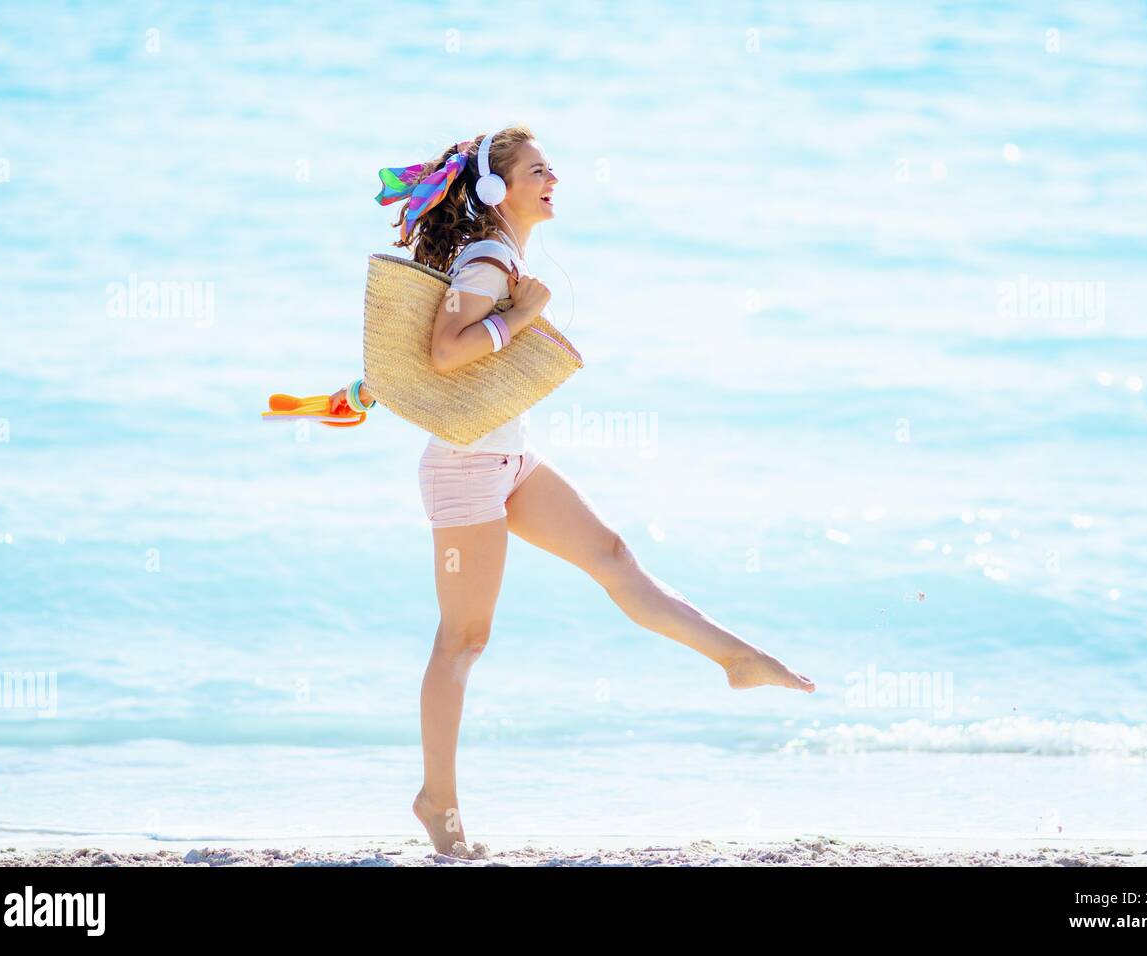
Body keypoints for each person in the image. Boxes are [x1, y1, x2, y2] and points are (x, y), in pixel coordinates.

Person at [331, 126, 815, 855]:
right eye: (537, 169)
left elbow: (449, 349)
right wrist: (524, 314)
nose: (553, 178)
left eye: (551, 167)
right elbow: (446, 351)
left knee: (613, 556)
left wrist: (516, 310)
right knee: (462, 641)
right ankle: (439, 805)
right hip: (467, 467)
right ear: (496, 189)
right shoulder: (492, 256)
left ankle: (735, 660)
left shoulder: (500, 255)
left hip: (503, 459)